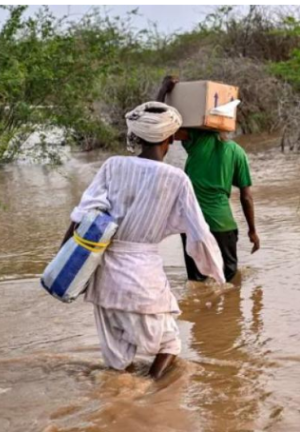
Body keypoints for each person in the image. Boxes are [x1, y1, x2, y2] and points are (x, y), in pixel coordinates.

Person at [62, 101, 225, 380]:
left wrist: (63, 261)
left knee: (116, 356)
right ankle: (150, 394)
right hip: (142, 275)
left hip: (103, 272)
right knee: (169, 344)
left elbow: (82, 215)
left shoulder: (113, 166)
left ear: (135, 136)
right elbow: (199, 231)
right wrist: (215, 272)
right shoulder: (177, 179)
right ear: (171, 139)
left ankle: (121, 400)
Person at [155, 77, 260, 283]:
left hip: (193, 223)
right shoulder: (238, 153)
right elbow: (246, 197)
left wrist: (164, 91)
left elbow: (159, 124)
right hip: (223, 225)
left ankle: (199, 315)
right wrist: (253, 231)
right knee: (229, 284)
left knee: (197, 283)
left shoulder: (196, 140)